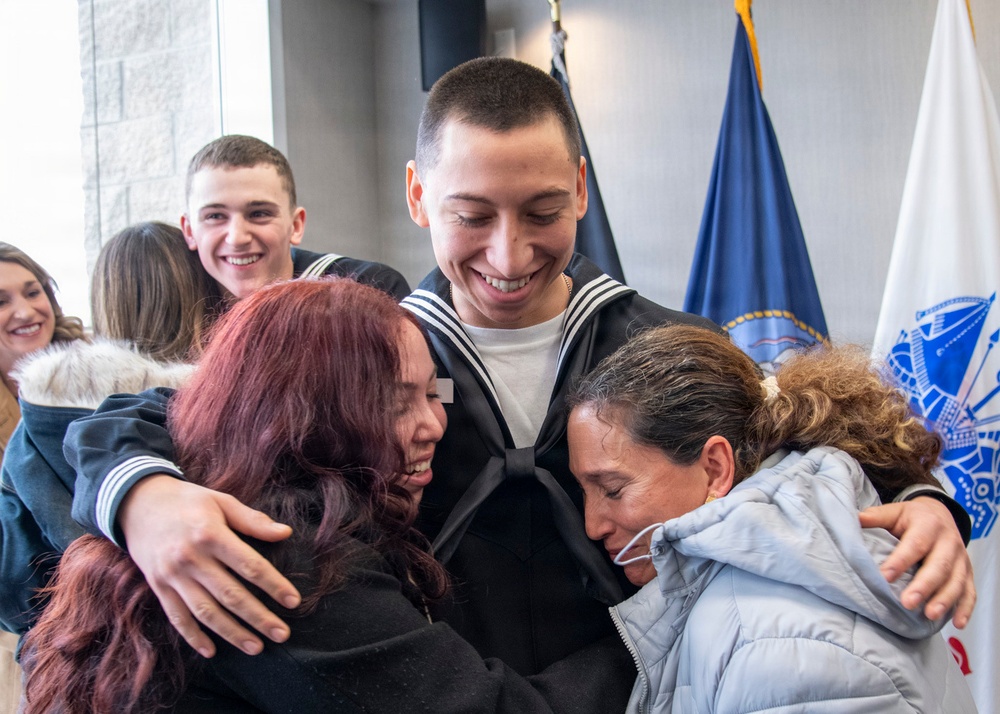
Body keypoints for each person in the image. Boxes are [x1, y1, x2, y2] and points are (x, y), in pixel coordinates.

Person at [62, 58, 974, 708]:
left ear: (582, 188)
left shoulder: (663, 342)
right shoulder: (374, 345)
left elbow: (816, 437)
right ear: (418, 197)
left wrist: (926, 497)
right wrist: (140, 493)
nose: (509, 253)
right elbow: (140, 418)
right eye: (471, 215)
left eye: (543, 211)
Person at [21, 278, 628, 714]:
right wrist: (652, 640)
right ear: (305, 414)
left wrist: (137, 485)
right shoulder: (283, 553)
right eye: (393, 402)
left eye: (430, 394)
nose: (434, 426)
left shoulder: (225, 481)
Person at [566, 324, 977, 712]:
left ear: (715, 468)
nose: (592, 525)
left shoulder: (773, 650)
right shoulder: (772, 595)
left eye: (614, 489)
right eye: (584, 491)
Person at [0, 222, 214, 639]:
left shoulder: (38, 425)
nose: (25, 311)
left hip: (80, 654)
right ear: (205, 294)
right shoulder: (235, 407)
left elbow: (13, 587)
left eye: (32, 291)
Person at [0, 243, 85, 714]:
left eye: (34, 292)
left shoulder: (96, 368)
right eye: (1, 301)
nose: (26, 310)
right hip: (20, 621)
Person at [178, 133, 410, 301]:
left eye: (259, 214)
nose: (237, 238)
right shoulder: (173, 304)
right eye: (215, 216)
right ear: (189, 231)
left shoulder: (370, 290)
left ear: (296, 225)